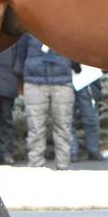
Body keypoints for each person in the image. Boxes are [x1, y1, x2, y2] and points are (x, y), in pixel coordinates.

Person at [13, 33, 76, 170]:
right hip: (34, 83)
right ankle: (35, 166)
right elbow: (20, 55)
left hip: (62, 83)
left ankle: (64, 166)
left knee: (63, 127)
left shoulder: (66, 28)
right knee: (35, 129)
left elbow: (76, 54)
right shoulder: (29, 30)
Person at [0, 48, 18, 164]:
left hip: (8, 79)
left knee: (6, 119)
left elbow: (19, 56)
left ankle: (5, 151)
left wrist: (16, 73)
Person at [71, 79, 104, 163]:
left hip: (86, 79)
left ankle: (93, 150)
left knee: (91, 119)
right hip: (66, 79)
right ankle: (72, 151)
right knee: (67, 120)